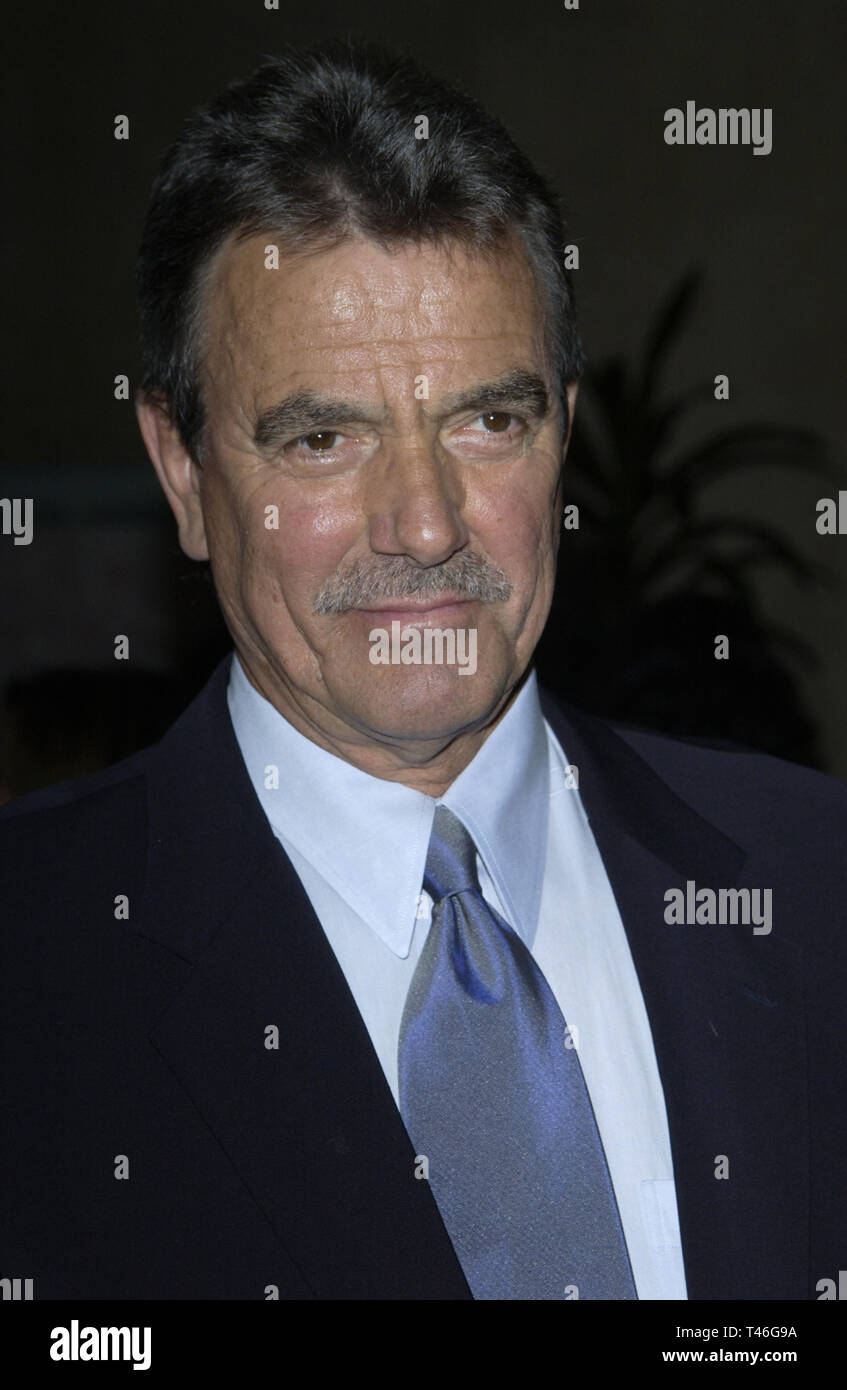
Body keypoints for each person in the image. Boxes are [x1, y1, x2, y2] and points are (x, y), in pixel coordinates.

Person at [1, 38, 845, 1302]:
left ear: (561, 424)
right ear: (182, 471)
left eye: (485, 420)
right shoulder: (39, 967)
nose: (426, 522)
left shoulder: (813, 879)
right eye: (324, 436)